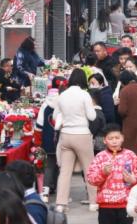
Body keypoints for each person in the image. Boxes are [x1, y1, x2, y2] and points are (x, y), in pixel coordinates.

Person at [53, 68, 97, 213]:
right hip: (82, 134)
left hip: (66, 135)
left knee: (65, 171)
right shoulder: (84, 95)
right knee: (89, 168)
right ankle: (93, 202)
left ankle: (61, 203)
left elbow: (55, 117)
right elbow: (92, 117)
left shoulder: (62, 95)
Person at [87, 124, 137, 224]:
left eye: (117, 138)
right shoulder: (100, 157)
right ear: (104, 140)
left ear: (122, 138)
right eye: (110, 138)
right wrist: (103, 173)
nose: (114, 141)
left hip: (126, 204)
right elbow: (91, 179)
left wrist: (134, 180)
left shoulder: (130, 155)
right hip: (105, 205)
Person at [89, 89, 107, 154]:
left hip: (97, 142)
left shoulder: (95, 113)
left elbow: (93, 130)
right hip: (100, 141)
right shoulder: (99, 112)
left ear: (92, 99)